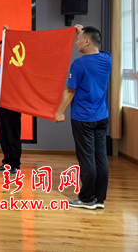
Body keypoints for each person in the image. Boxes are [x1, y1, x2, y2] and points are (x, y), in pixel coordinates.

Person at [55, 24, 111, 210]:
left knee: (87, 158)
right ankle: (99, 199)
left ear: (87, 41)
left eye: (78, 39)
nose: (76, 43)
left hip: (83, 118)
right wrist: (83, 32)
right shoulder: (107, 59)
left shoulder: (79, 64)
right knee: (100, 157)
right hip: (102, 117)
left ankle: (87, 199)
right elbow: (97, 46)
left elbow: (70, 91)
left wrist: (60, 111)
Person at [0, 28, 22, 175]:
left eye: (2, 48)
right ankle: (7, 163)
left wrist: (9, 34)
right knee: (3, 136)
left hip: (12, 107)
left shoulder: (16, 66)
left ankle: (15, 164)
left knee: (13, 136)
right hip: (0, 107)